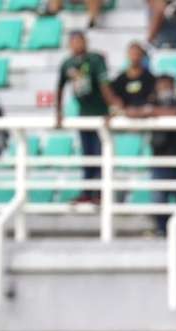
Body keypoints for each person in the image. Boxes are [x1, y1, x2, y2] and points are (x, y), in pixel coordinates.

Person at [56, 30, 116, 203]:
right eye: (73, 41)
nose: (77, 44)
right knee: (87, 156)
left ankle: (99, 192)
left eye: (79, 41)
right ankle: (87, 192)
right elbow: (59, 88)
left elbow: (104, 85)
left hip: (99, 114)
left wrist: (112, 107)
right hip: (84, 115)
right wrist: (59, 113)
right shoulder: (67, 64)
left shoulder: (95, 60)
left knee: (99, 155)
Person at [129, 74, 176, 235]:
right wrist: (151, 111)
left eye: (167, 85)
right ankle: (162, 230)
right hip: (160, 158)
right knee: (158, 199)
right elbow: (132, 112)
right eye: (161, 85)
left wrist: (152, 112)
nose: (164, 88)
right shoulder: (152, 100)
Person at [110, 41, 157, 114]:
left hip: (144, 115)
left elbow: (152, 99)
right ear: (127, 55)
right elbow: (115, 98)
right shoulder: (120, 79)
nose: (135, 57)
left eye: (138, 54)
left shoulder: (150, 78)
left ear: (142, 56)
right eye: (132, 54)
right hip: (125, 114)